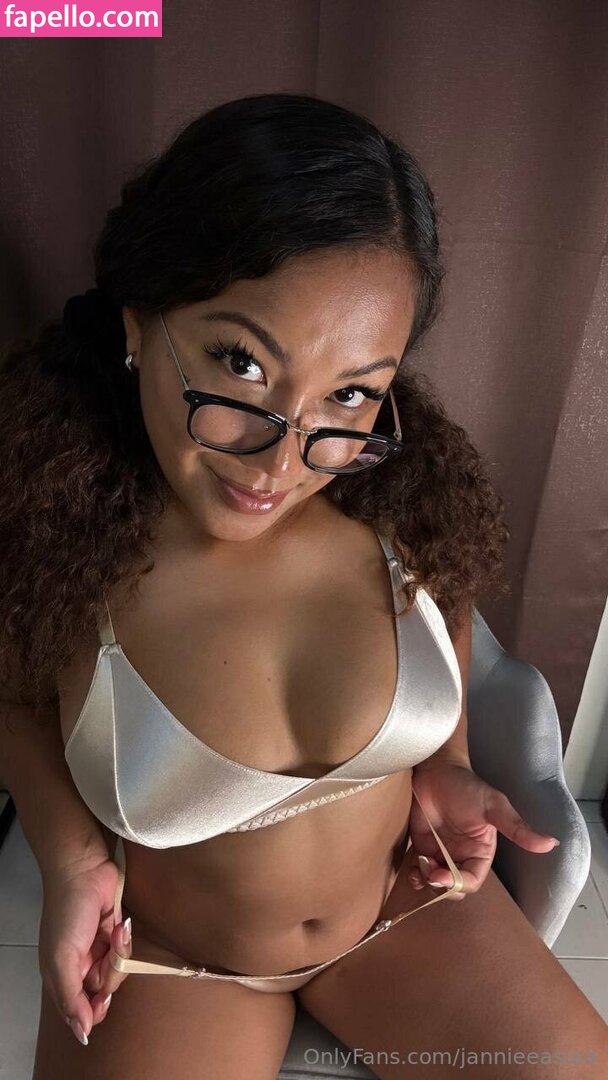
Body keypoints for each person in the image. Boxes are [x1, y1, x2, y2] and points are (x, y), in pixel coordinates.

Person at [1, 93, 605, 1079]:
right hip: (176, 963)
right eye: (242, 364)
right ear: (140, 320)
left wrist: (448, 762)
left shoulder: (393, 497)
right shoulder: (61, 533)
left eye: (350, 392)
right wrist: (71, 861)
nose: (280, 462)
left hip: (403, 917)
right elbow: (16, 696)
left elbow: (445, 605)